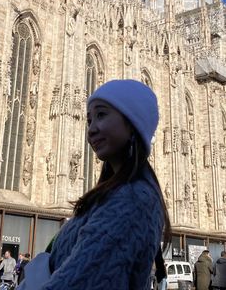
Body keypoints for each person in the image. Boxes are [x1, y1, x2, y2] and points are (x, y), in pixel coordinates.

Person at [35, 79, 172, 289]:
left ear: (132, 122)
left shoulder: (132, 200)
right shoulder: (116, 194)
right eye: (89, 120)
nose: (91, 130)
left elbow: (79, 281)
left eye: (101, 115)